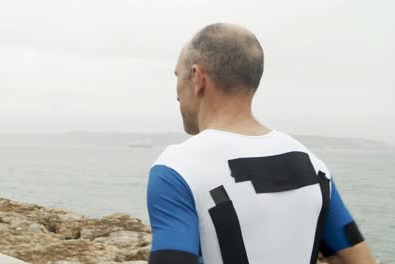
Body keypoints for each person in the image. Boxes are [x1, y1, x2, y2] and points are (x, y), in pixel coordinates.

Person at [146, 23, 375, 264]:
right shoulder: (314, 166)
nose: (176, 94)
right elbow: (361, 260)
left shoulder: (176, 170)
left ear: (196, 77)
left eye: (177, 76)